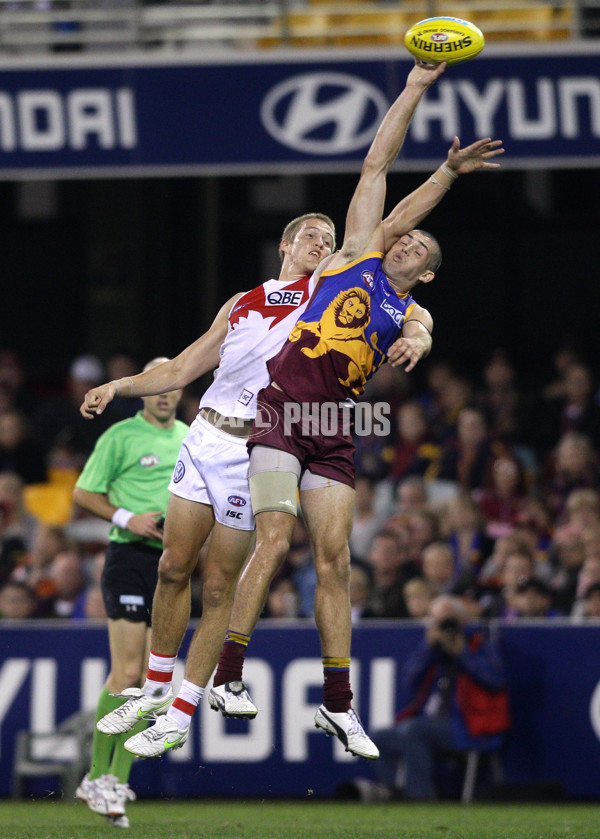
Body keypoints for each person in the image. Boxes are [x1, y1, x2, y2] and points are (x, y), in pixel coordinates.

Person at [203, 61, 503, 760]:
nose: (406, 242)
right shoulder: (349, 258)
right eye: (404, 235)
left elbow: (422, 329)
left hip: (334, 429)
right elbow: (378, 164)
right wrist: (417, 94)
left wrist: (418, 340)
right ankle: (228, 675)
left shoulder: (412, 308)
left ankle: (338, 706)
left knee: (334, 562)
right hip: (281, 413)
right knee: (275, 541)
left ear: (425, 271)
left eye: (419, 247)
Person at [83, 211, 338, 756]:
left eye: (330, 240)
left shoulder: (325, 296)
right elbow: (180, 369)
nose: (322, 244)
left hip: (256, 449)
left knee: (219, 586)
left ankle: (181, 711)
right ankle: (154, 691)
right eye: (313, 235)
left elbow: (380, 226)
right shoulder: (242, 302)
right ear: (286, 244)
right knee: (172, 566)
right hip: (202, 439)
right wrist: (119, 385)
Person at [73, 358, 186, 828]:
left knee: (148, 682)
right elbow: (83, 492)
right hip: (127, 559)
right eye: (155, 387)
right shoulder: (119, 437)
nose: (163, 394)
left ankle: (109, 782)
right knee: (125, 673)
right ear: (143, 391)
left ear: (179, 391)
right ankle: (98, 775)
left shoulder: (189, 436)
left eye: (170, 386)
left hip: (171, 565)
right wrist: (128, 518)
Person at [371, 595, 510, 800]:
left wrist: (463, 653)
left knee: (414, 730)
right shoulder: (431, 649)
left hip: (467, 726)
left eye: (449, 620)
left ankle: (419, 799)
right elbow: (410, 681)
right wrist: (429, 648)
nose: (445, 626)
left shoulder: (479, 644)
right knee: (380, 737)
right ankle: (391, 794)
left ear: (462, 621)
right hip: (432, 723)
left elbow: (496, 679)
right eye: (439, 621)